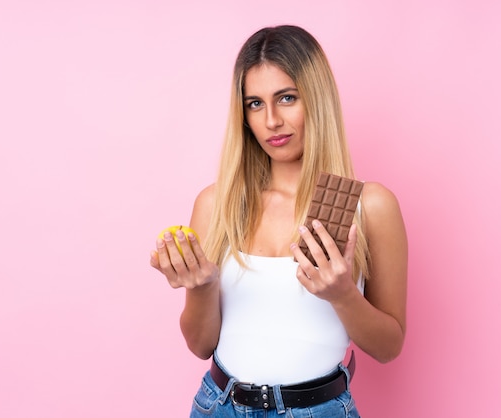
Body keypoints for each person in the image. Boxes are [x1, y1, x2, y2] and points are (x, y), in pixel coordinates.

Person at [150, 25, 407, 417]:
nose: (271, 120)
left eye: (287, 98)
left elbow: (388, 347)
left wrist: (342, 294)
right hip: (220, 406)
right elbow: (201, 344)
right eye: (255, 103)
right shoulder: (217, 203)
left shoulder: (367, 205)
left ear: (317, 100)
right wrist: (203, 286)